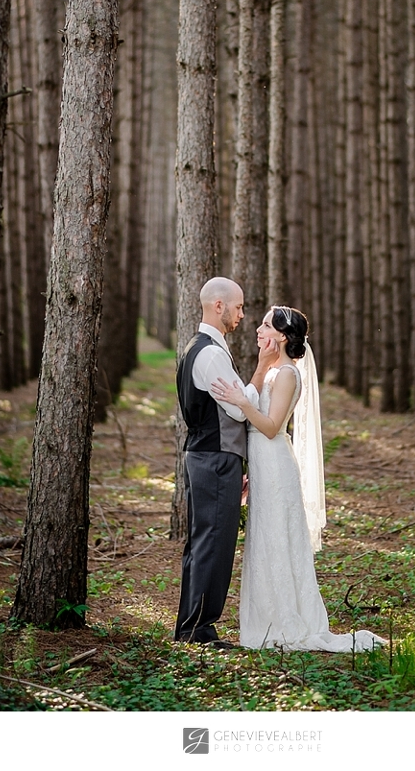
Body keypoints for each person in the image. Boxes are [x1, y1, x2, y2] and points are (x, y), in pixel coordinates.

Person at [212, 306, 385, 652]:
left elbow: (272, 427)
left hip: (276, 465)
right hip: (263, 465)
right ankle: (267, 620)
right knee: (265, 540)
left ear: (282, 336)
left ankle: (286, 621)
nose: (258, 329)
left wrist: (240, 403)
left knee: (277, 538)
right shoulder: (274, 370)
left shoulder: (288, 374)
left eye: (265, 324)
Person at [173, 277, 271, 649]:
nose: (242, 315)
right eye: (239, 307)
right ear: (219, 305)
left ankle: (192, 626)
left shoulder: (201, 348)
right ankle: (198, 630)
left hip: (210, 456)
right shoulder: (211, 354)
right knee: (213, 542)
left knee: (205, 542)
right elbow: (239, 407)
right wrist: (260, 370)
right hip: (214, 459)